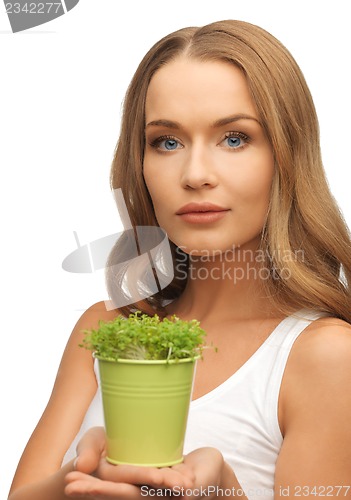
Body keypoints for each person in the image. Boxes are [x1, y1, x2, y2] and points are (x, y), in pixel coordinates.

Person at [8, 19, 351, 500]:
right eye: (167, 142)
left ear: (287, 157)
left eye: (234, 138)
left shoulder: (327, 356)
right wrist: (81, 483)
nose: (194, 174)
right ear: (140, 162)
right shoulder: (103, 330)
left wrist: (223, 493)